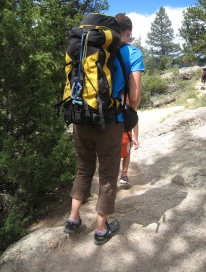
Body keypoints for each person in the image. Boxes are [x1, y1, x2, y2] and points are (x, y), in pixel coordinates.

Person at [64, 13, 144, 245]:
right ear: (126, 32)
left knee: (84, 168)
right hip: (109, 121)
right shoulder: (132, 52)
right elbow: (135, 97)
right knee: (108, 175)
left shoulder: (88, 44)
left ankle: (73, 218)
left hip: (81, 116)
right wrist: (129, 108)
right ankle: (101, 230)